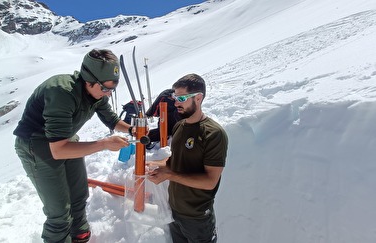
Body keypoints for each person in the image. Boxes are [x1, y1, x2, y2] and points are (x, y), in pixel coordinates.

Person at [13, 49, 133, 243]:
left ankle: (79, 236)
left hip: (64, 140)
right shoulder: (62, 92)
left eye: (112, 89)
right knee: (59, 211)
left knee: (79, 195)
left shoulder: (97, 94)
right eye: (105, 88)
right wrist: (103, 144)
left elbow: (111, 120)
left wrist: (134, 130)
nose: (108, 94)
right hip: (37, 146)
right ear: (88, 80)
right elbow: (58, 151)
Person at [147, 74, 228, 243]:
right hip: (175, 213)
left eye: (182, 98)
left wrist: (169, 176)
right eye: (175, 97)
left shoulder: (213, 134)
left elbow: (210, 181)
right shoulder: (179, 126)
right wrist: (153, 165)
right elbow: (174, 162)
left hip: (197, 218)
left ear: (198, 98)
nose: (176, 103)